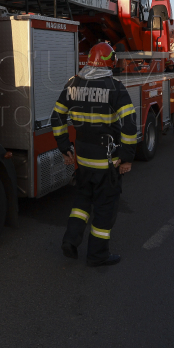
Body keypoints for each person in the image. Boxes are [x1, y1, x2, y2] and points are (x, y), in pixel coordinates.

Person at [51, 42, 137, 267]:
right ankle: (97, 255)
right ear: (111, 61)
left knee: (82, 200)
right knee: (104, 208)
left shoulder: (73, 84)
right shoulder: (115, 87)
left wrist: (65, 148)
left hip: (82, 160)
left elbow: (57, 117)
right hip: (106, 162)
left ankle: (70, 240)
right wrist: (126, 158)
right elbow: (129, 125)